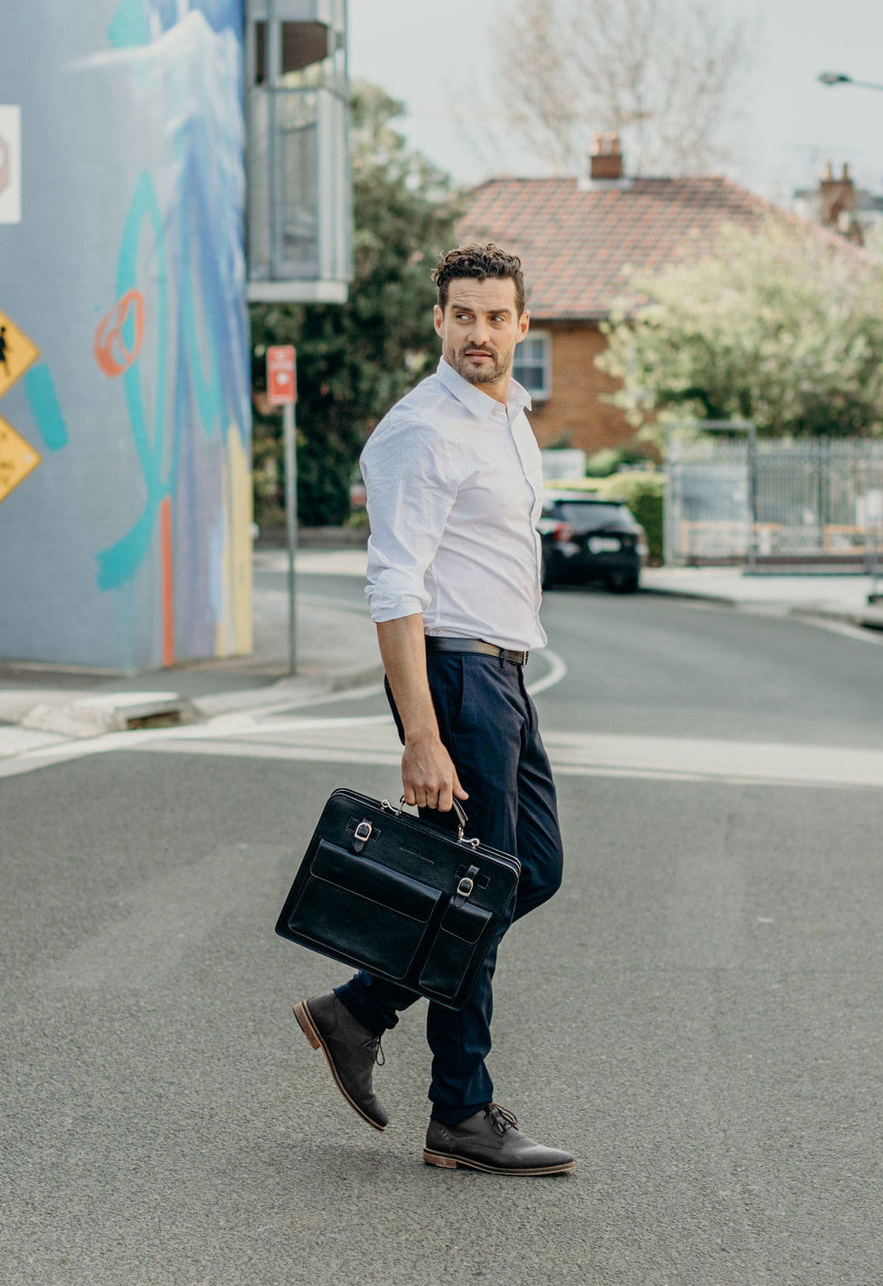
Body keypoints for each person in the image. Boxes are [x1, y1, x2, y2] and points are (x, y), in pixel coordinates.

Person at [293, 242, 574, 1176]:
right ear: (439, 321)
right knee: (483, 882)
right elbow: (395, 586)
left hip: (504, 674)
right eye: (463, 316)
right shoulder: (422, 429)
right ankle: (459, 1109)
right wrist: (422, 733)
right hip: (452, 677)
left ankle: (361, 1008)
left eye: (497, 317)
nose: (480, 333)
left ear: (522, 325)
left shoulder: (511, 419)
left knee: (530, 871)